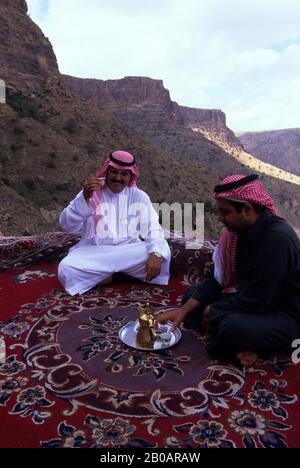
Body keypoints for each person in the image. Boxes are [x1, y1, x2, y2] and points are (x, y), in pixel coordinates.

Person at [157, 174, 300, 366]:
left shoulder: (278, 239)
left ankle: (252, 344)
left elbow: (259, 298)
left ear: (248, 210)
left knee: (231, 327)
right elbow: (217, 278)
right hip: (255, 303)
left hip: (286, 314)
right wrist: (184, 310)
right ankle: (248, 342)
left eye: (225, 212)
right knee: (191, 297)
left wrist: (215, 310)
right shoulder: (238, 233)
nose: (220, 218)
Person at [58, 151, 171, 296]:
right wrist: (84, 198)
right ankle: (123, 277)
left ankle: (101, 277)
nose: (118, 178)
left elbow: (153, 228)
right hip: (95, 252)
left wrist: (156, 253)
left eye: (124, 174)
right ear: (107, 171)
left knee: (161, 257)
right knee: (66, 269)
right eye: (114, 172)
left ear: (131, 176)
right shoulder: (91, 192)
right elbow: (67, 225)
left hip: (128, 251)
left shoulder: (139, 196)